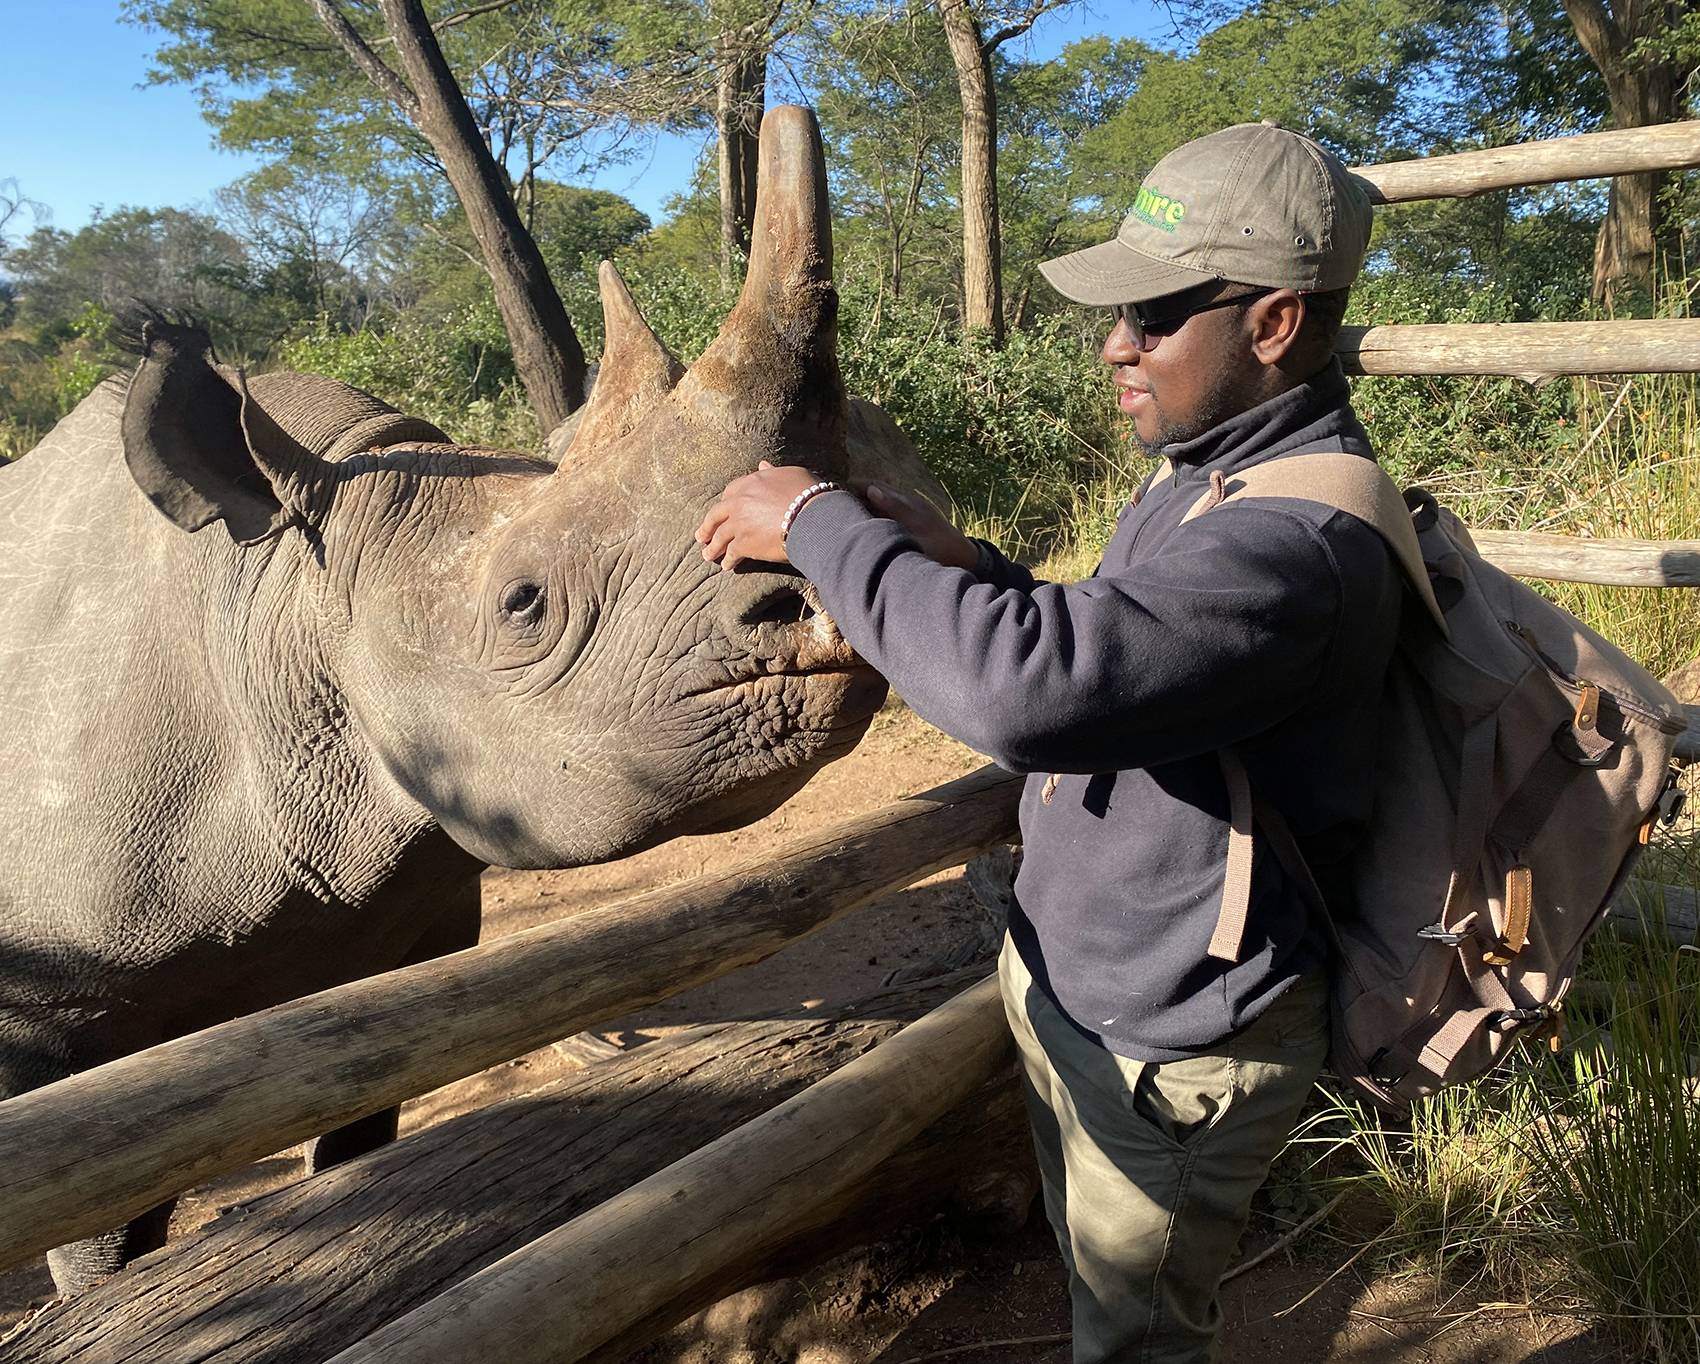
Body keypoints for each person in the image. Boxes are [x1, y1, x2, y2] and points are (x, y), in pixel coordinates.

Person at [696, 122, 1401, 1363]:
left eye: (1153, 315)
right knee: (1097, 1280)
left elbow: (1029, 693)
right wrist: (972, 565)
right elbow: (1135, 660)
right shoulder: (1206, 470)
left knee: (1134, 1336)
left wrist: (815, 523)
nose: (1112, 345)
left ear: (1275, 323)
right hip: (1101, 986)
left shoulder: (1296, 543)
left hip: (1176, 1037)